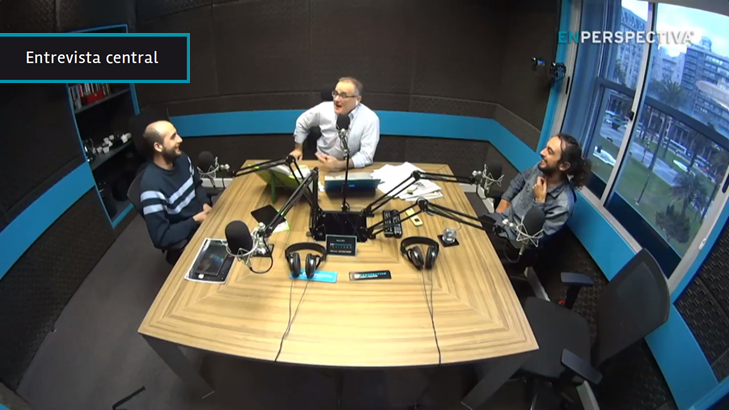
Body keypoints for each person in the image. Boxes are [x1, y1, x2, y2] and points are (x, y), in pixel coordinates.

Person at [484, 133, 591, 255]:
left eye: (550, 152)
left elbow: (531, 239)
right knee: (468, 231)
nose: (542, 152)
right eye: (546, 147)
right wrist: (505, 200)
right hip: (500, 220)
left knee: (477, 250)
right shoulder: (540, 168)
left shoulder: (564, 204)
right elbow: (521, 178)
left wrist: (539, 200)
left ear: (564, 166)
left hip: (514, 242)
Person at [139, 120, 212, 252]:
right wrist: (195, 220)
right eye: (173, 137)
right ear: (158, 147)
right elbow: (161, 237)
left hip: (204, 219)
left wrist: (205, 203)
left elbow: (197, 184)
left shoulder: (182, 158)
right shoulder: (151, 186)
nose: (180, 139)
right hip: (188, 237)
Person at [289, 77, 380, 171]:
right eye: (335, 93)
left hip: (349, 168)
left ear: (357, 99)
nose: (336, 99)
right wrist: (298, 149)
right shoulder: (323, 109)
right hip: (320, 162)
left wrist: (339, 165)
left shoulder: (370, 119)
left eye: (343, 95)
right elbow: (302, 121)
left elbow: (366, 156)